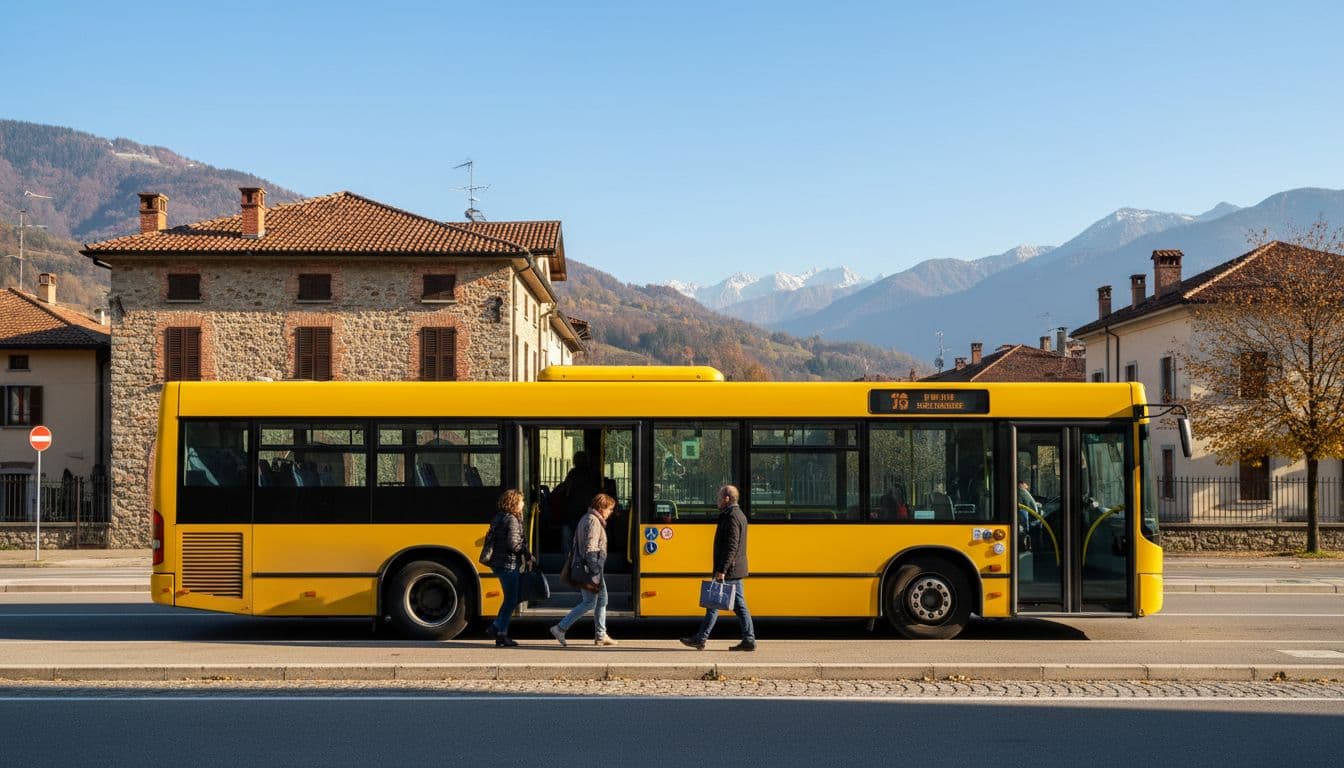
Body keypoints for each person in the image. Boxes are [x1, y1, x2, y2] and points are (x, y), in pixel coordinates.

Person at [681, 484, 756, 652]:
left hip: (730, 570)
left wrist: (722, 570)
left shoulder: (732, 517)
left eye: (719, 497)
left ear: (727, 499)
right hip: (733, 569)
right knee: (719, 603)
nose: (717, 501)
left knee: (722, 603)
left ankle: (703, 638)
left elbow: (731, 546)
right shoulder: (735, 514)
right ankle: (704, 638)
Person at [550, 493, 619, 647]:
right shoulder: (593, 521)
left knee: (602, 600)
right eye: (609, 509)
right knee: (589, 602)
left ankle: (601, 634)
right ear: (601, 508)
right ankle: (560, 628)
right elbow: (590, 547)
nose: (611, 512)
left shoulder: (587, 518)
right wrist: (594, 569)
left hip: (590, 567)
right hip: (590, 569)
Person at [485, 489, 534, 648]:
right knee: (511, 599)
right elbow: (513, 544)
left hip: (498, 564)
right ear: (514, 503)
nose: (523, 503)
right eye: (521, 501)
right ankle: (498, 629)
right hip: (508, 564)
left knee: (510, 599)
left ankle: (500, 633)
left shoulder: (499, 516)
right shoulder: (512, 519)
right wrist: (527, 555)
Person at [554, 450, 598, 555]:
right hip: (588, 511)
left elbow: (566, 491)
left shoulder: (573, 474)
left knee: (568, 537)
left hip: (572, 511)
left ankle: (569, 561)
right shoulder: (591, 475)